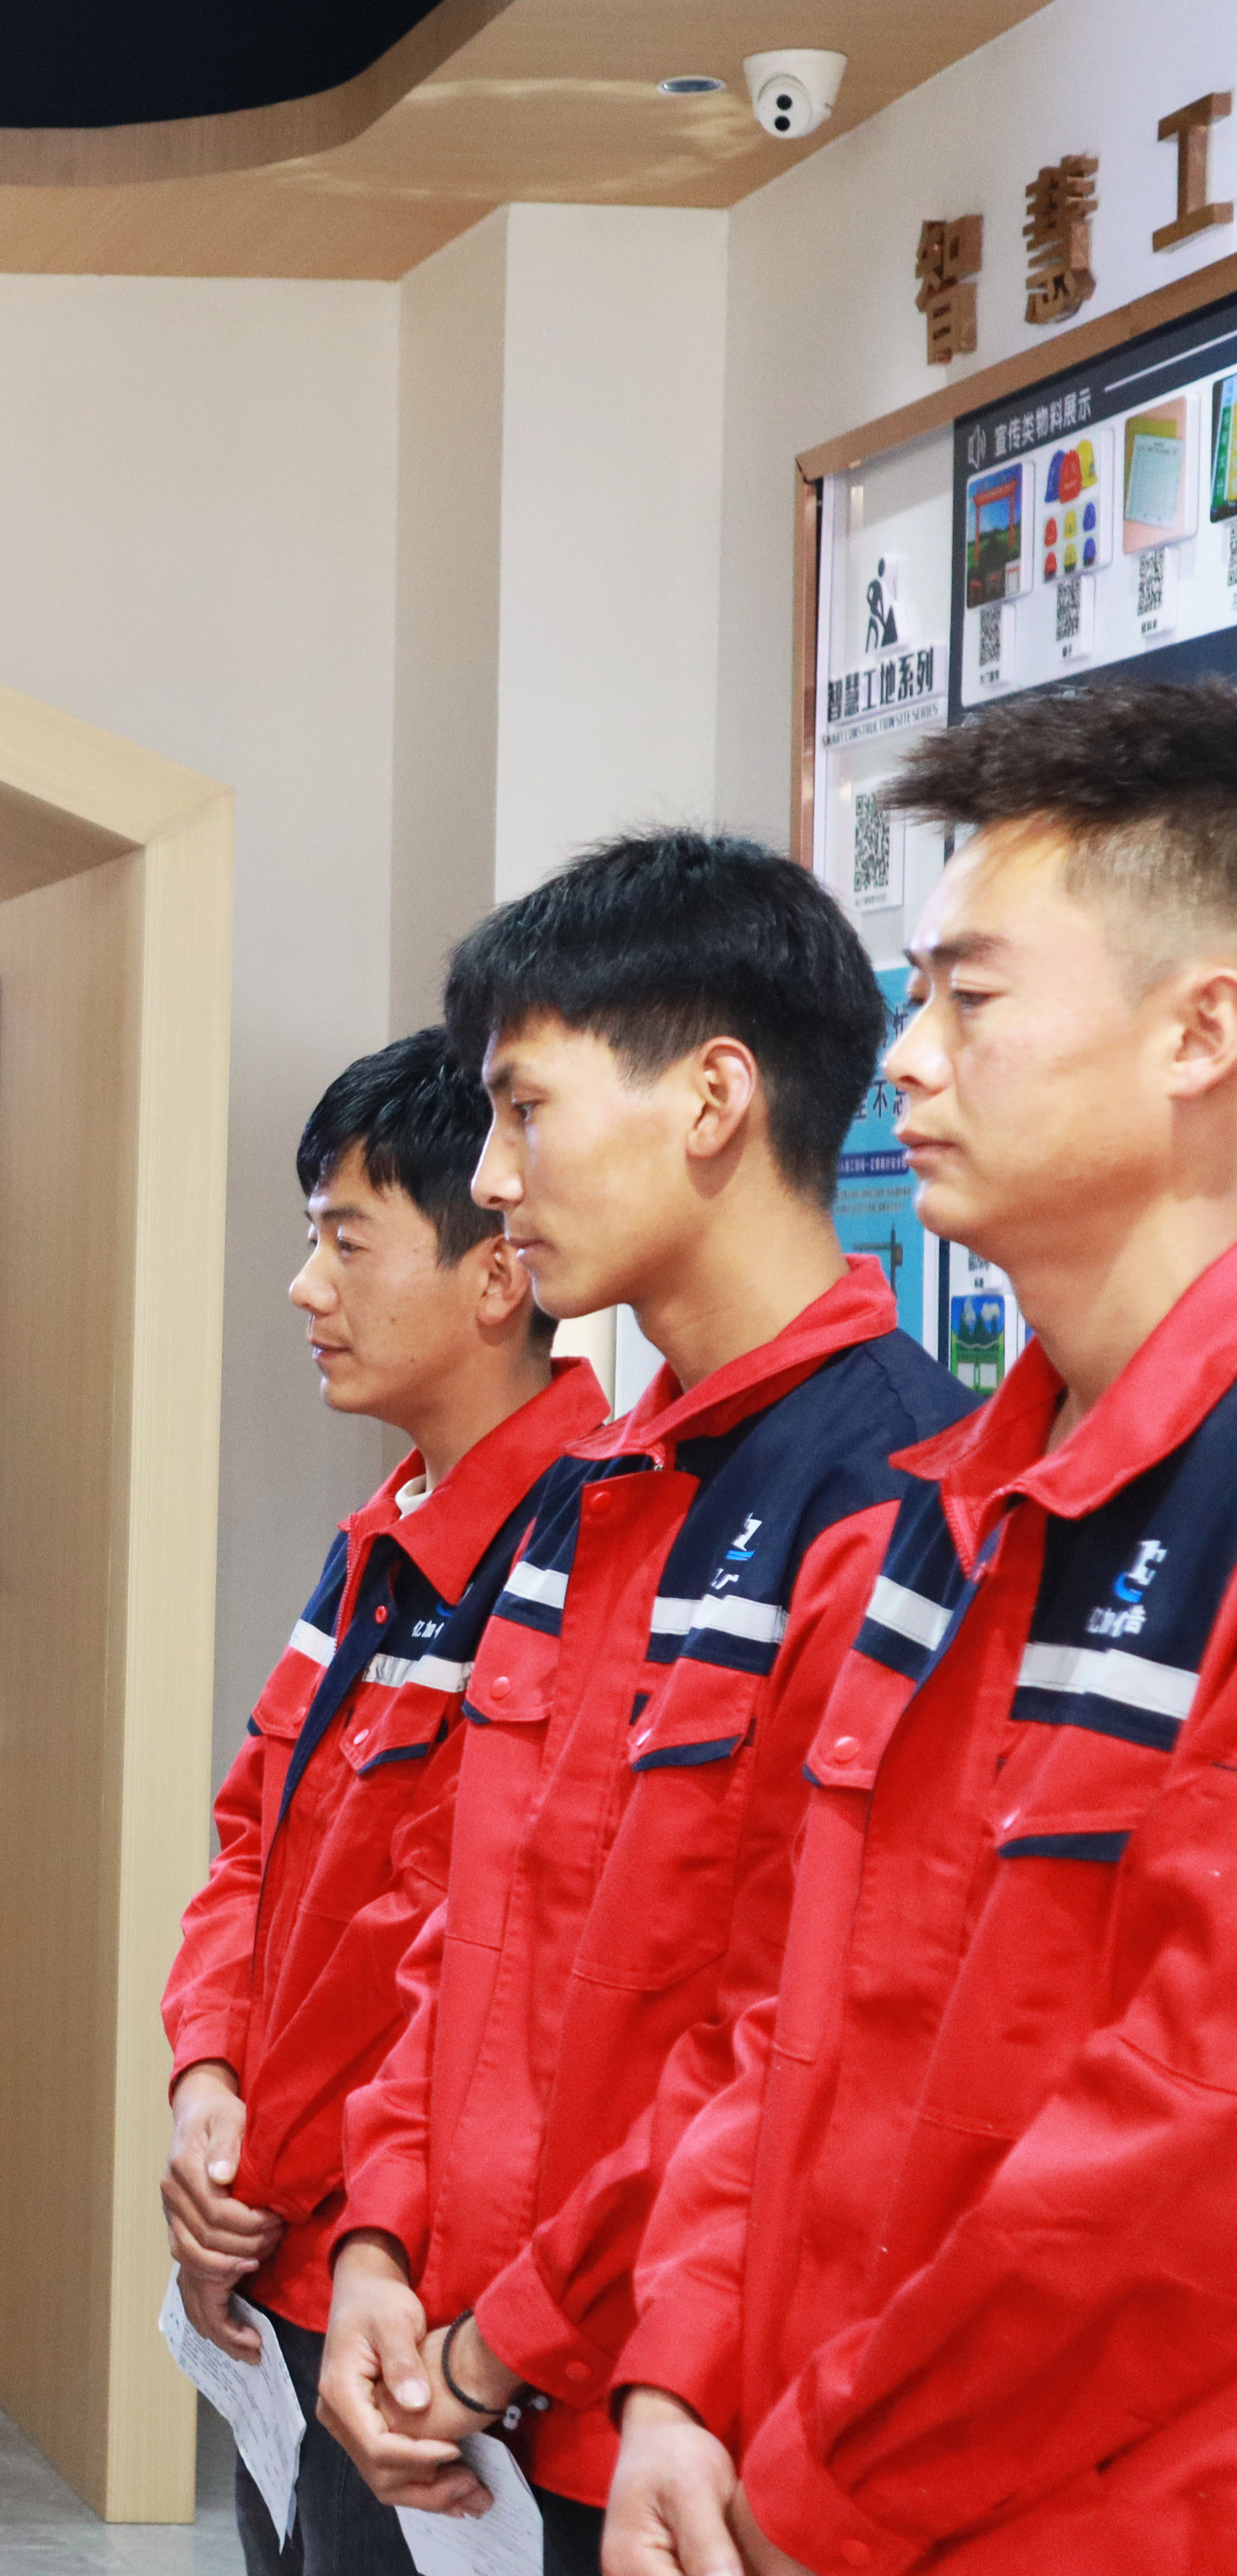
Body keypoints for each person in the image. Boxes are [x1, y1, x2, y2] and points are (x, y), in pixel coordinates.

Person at [605, 682, 1237, 2573]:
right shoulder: (955, 1508)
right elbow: (785, 2011)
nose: (906, 1061)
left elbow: (1178, 2149)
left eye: (971, 999)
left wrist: (824, 2483)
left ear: (1200, 1031)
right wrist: (679, 2377)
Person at [320, 834, 973, 2570]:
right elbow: (461, 1919)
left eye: (525, 1110)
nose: (496, 1176)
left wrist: (503, 2340)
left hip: (667, 2428)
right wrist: (381, 2232)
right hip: (466, 2372)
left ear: (711, 1099)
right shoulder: (593, 1487)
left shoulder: (898, 1497)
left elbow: (782, 2036)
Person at [163, 1030, 605, 2575]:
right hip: (275, 2268)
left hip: (412, 2290)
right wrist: (204, 2078)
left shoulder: (579, 1544)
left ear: (496, 1275)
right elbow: (253, 1842)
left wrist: (314, 2198)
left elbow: (467, 1946)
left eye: (347, 1242)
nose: (307, 1288)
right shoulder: (382, 1535)